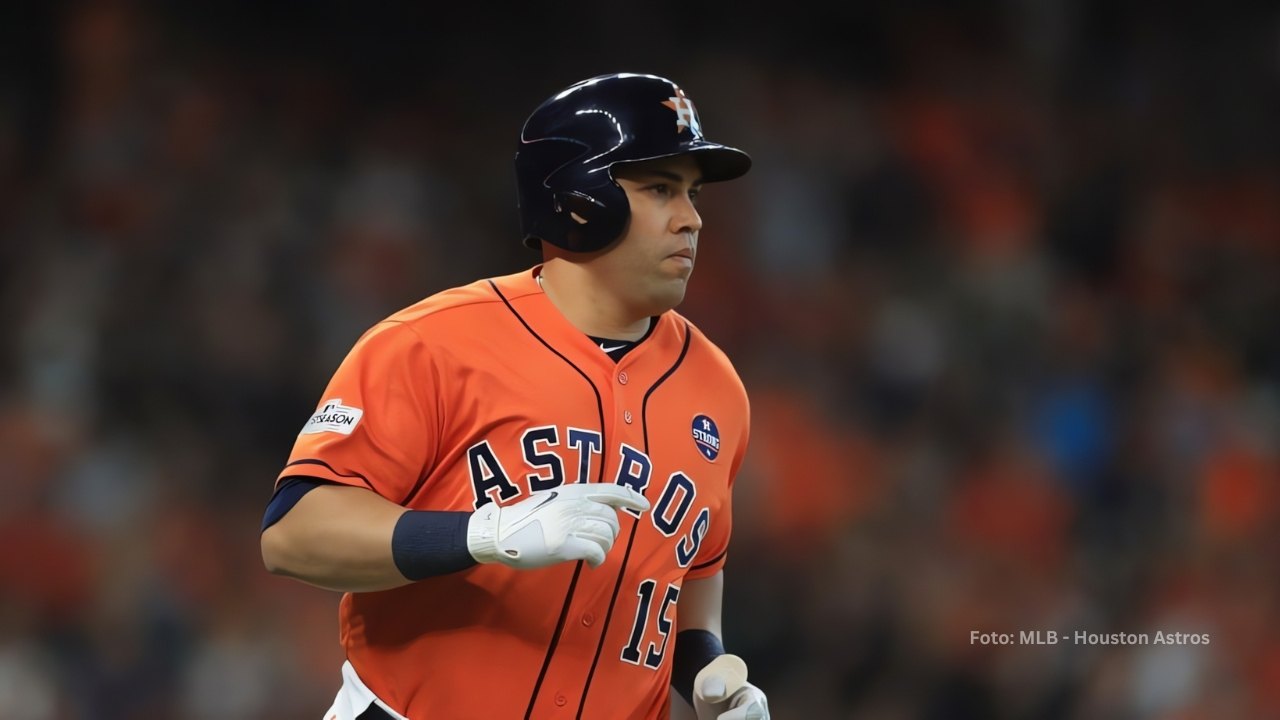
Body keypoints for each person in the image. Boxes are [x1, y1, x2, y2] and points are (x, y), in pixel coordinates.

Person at [260, 72, 770, 720]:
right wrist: (485, 532)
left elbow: (690, 586)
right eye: (660, 189)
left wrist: (710, 680)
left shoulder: (718, 389)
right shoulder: (432, 343)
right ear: (580, 197)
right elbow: (292, 534)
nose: (691, 218)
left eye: (693, 194)